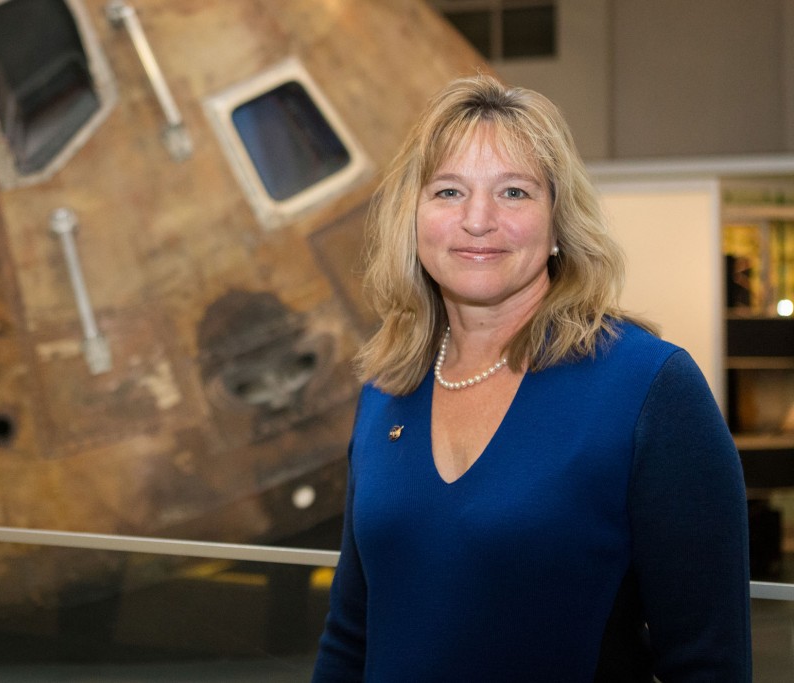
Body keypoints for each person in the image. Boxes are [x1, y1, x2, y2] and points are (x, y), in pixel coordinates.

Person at [311, 74, 751, 682]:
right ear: (412, 218)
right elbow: (350, 636)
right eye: (448, 192)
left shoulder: (649, 389)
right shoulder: (387, 387)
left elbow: (708, 662)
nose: (477, 221)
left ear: (558, 223)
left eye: (514, 192)